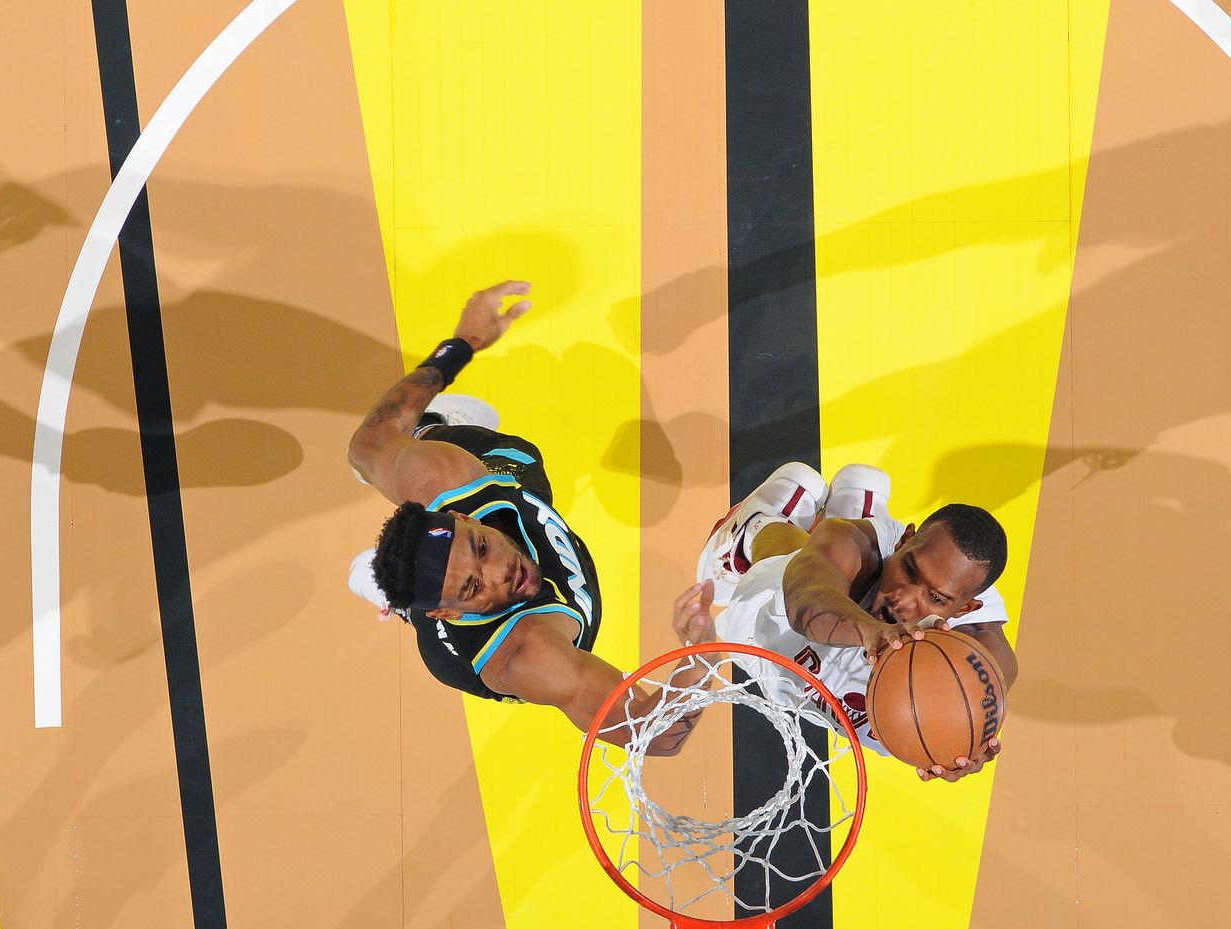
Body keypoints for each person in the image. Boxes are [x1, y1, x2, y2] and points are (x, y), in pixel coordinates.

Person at [346, 281, 712, 753]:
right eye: (474, 588)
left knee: (514, 454)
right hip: (471, 638)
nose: (502, 572)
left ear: (460, 515)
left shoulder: (439, 476)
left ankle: (433, 426)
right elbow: (657, 737)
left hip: (476, 497)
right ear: (445, 607)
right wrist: (699, 653)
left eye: (481, 548)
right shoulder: (529, 655)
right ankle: (392, 595)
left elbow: (366, 442)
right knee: (409, 588)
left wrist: (461, 345)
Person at [678, 460, 1019, 781]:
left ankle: (859, 503)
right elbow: (804, 604)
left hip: (823, 684)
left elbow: (982, 709)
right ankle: (756, 525)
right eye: (909, 569)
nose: (903, 599)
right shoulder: (851, 543)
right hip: (768, 631)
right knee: (794, 561)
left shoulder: (983, 656)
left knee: (852, 564)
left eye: (935, 599)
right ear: (903, 541)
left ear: (964, 610)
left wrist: (963, 748)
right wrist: (875, 632)